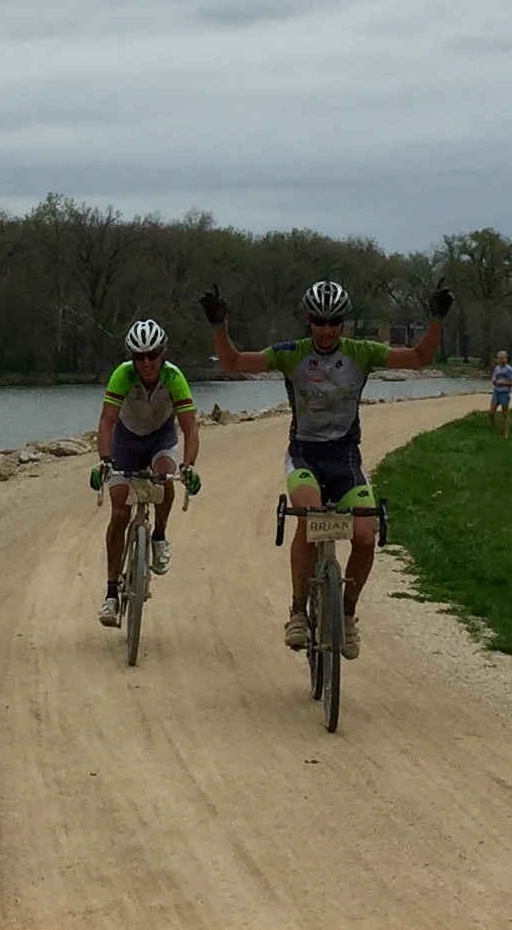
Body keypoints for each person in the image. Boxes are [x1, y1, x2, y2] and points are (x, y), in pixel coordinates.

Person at [199, 277, 453, 658]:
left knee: (366, 534)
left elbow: (419, 358)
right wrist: (219, 326)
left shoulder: (361, 352)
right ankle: (299, 609)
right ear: (308, 320)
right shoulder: (292, 353)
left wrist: (436, 319)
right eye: (319, 321)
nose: (327, 329)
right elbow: (235, 363)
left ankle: (347, 612)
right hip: (305, 454)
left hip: (346, 457)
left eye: (335, 322)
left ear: (344, 325)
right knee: (310, 515)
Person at [90, 320, 200, 627]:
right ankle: (111, 593)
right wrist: (105, 459)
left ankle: (160, 536)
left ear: (163, 353)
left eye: (153, 354)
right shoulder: (122, 376)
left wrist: (189, 466)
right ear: (132, 357)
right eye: (140, 356)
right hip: (125, 441)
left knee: (165, 480)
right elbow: (107, 422)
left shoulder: (174, 377)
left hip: (159, 438)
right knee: (119, 514)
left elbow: (190, 427)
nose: (147, 362)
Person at [489, 351, 512, 436]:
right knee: (491, 412)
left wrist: (502, 383)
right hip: (496, 392)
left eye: (503, 358)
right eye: (499, 358)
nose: (501, 360)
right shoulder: (496, 369)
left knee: (505, 413)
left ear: (506, 359)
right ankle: (493, 426)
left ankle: (506, 433)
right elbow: (494, 380)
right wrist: (495, 382)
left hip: (504, 393)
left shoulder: (509, 369)